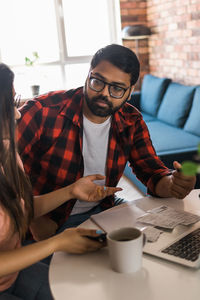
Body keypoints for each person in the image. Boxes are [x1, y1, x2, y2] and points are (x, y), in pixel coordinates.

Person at [17, 44, 196, 242]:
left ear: (130, 91)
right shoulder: (43, 111)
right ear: (88, 75)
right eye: (97, 82)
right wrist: (33, 214)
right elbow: (4, 168)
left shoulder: (131, 120)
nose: (104, 93)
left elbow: (152, 173)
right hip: (47, 221)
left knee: (155, 245)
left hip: (104, 208)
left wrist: (173, 184)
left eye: (117, 88)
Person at [0, 62, 121, 299]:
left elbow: (19, 209)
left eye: (15, 102)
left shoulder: (7, 152)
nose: (17, 113)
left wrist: (71, 191)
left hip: (12, 274)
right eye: (7, 105)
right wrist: (57, 243)